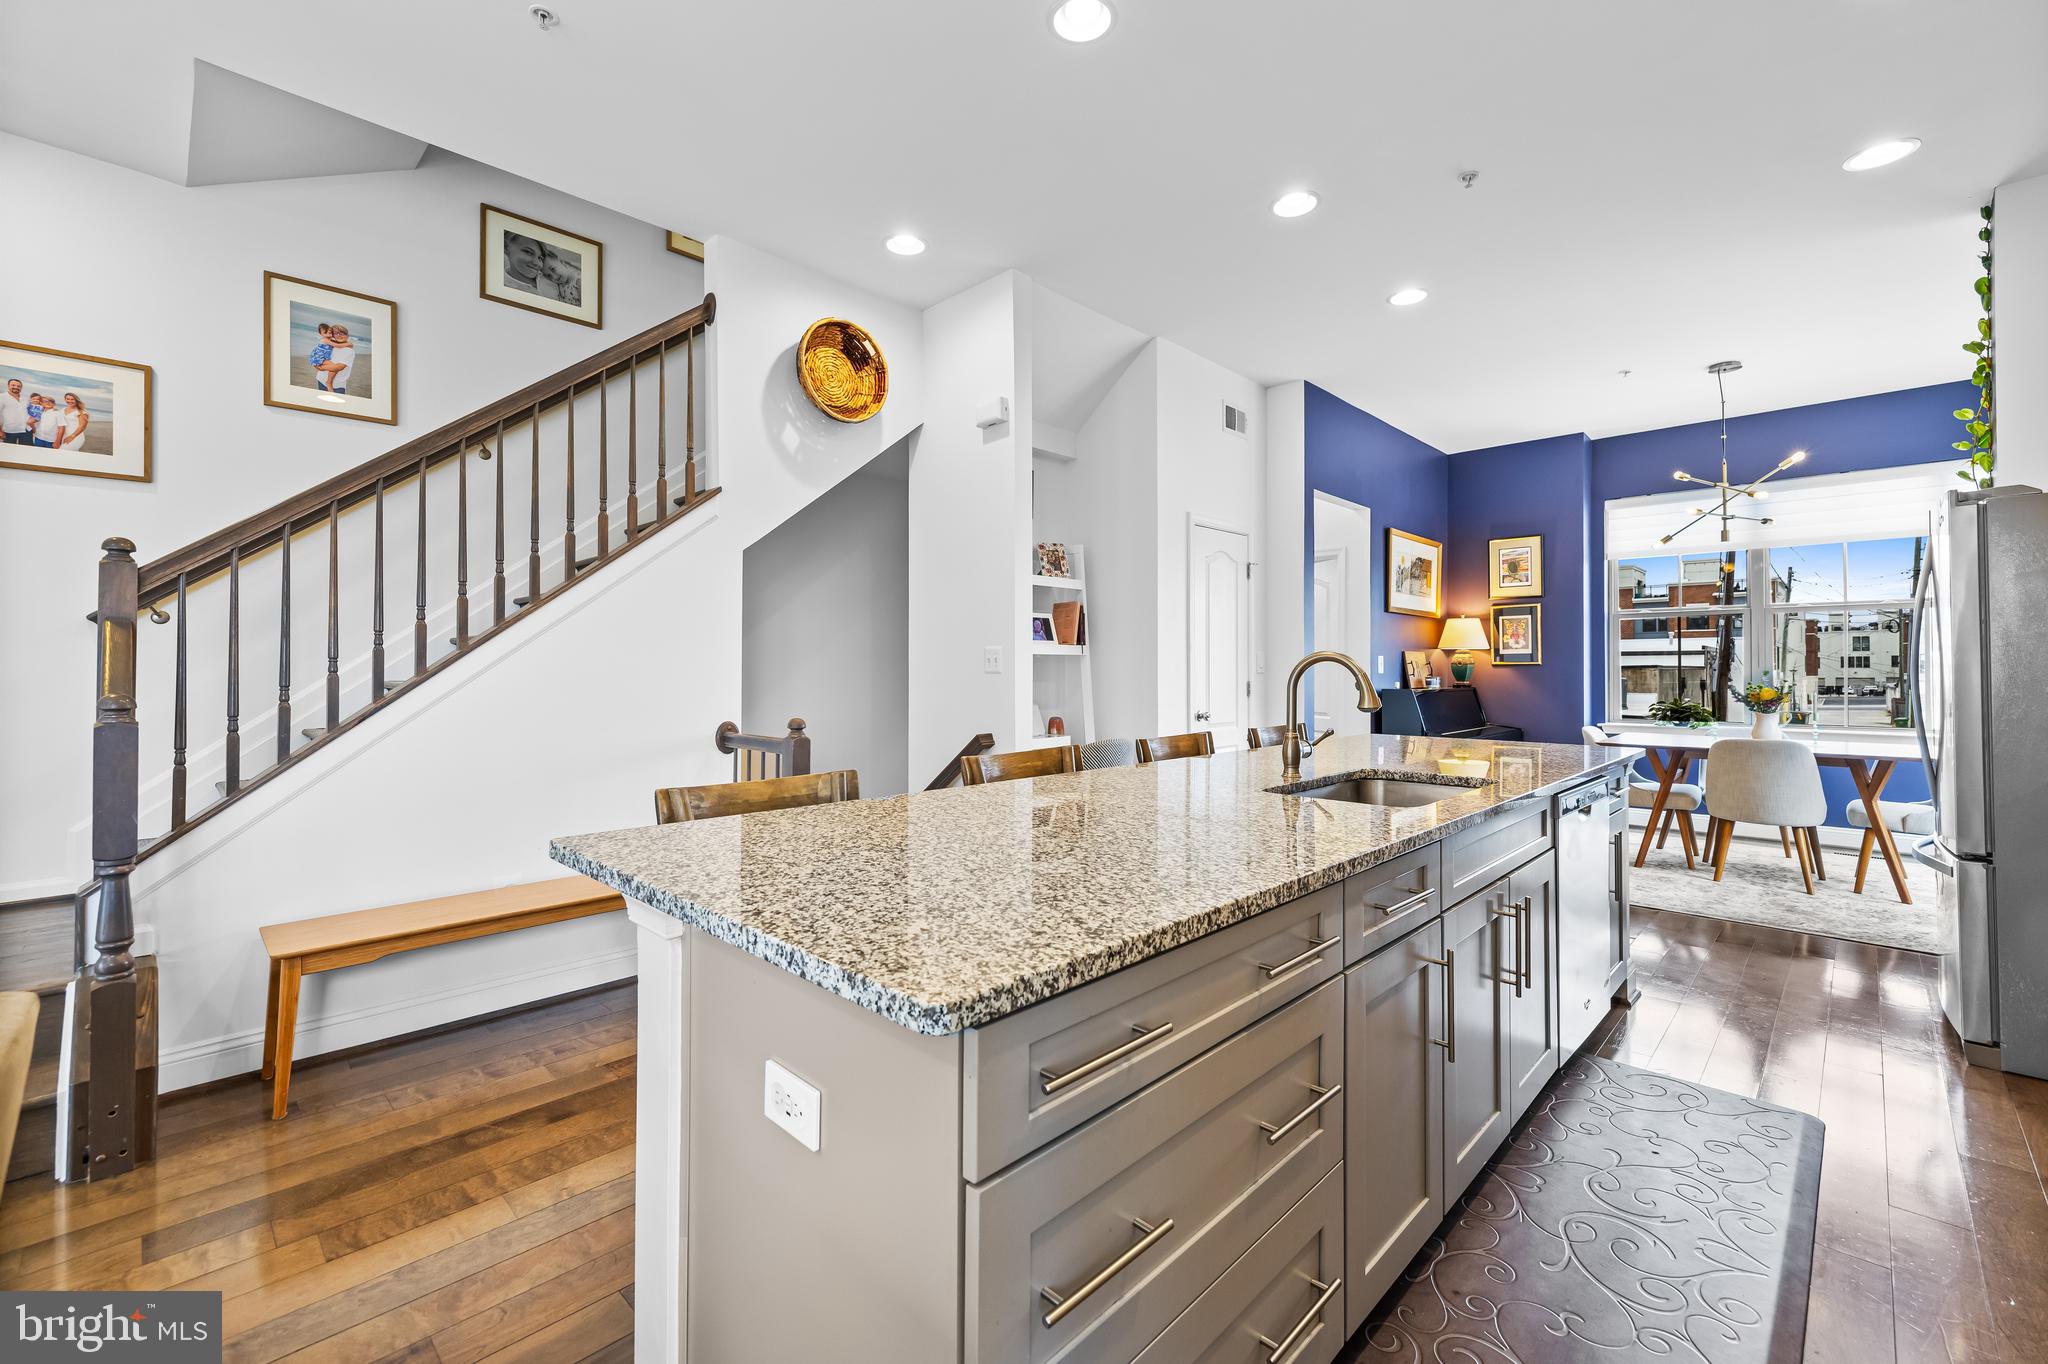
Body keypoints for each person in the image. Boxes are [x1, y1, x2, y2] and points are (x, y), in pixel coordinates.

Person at [321, 327, 356, 397]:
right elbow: (320, 359)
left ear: (347, 336)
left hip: (337, 385)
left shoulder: (349, 350)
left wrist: (320, 367)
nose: (339, 335)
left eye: (342, 333)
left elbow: (337, 368)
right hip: (321, 379)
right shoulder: (329, 346)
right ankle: (328, 382)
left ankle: (329, 382)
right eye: (336, 333)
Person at [307, 322, 335, 390]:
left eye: (329, 331)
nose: (328, 333)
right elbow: (336, 345)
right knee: (334, 367)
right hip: (319, 358)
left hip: (322, 358)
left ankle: (328, 380)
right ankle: (329, 382)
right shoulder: (325, 340)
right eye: (325, 332)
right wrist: (347, 344)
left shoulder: (330, 339)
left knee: (332, 367)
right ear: (321, 334)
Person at [0, 379, 30, 444]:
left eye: (18, 386)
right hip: (9, 431)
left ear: (21, 388)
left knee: (25, 449)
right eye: (13, 385)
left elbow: (31, 410)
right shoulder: (2, 397)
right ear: (8, 386)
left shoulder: (25, 398)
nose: (16, 387)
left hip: (26, 430)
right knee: (9, 449)